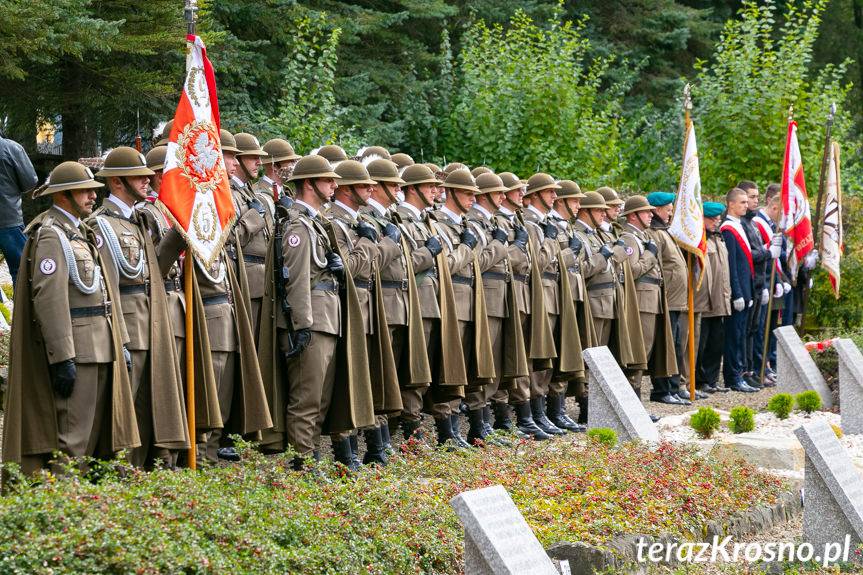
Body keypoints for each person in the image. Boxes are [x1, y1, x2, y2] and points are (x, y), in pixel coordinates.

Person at [2, 161, 139, 474]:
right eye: (85, 191)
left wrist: (120, 342)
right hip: (79, 348)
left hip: (99, 344)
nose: (93, 195)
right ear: (64, 195)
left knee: (94, 437)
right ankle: (63, 506)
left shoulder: (79, 231)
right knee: (73, 439)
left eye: (93, 190)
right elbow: (49, 300)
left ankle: (83, 504)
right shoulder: (51, 235)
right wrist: (63, 357)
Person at [90, 147, 188, 468]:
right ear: (117, 182)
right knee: (125, 409)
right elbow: (109, 287)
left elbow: (153, 273)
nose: (148, 180)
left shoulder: (136, 220)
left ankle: (142, 475)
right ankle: (119, 476)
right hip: (128, 328)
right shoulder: (102, 226)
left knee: (147, 407)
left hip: (150, 323)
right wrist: (119, 336)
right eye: (139, 176)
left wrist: (177, 235)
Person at [280, 155, 375, 469]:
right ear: (309, 184)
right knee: (306, 401)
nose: (335, 185)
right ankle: (302, 466)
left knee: (319, 401)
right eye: (328, 180)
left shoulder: (314, 222)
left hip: (327, 318)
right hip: (314, 320)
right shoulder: (297, 225)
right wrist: (301, 323)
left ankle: (310, 462)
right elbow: (296, 279)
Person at [618, 195, 679, 404]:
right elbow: (632, 271)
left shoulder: (643, 237)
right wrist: (650, 256)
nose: (650, 215)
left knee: (646, 353)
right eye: (646, 212)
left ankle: (636, 402)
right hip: (642, 301)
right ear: (633, 216)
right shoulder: (628, 238)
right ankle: (632, 403)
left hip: (652, 299)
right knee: (638, 354)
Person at [646, 192, 698, 403]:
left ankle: (674, 386)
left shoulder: (665, 231)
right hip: (668, 298)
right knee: (666, 346)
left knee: (677, 343)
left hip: (676, 299)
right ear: (657, 210)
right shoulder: (655, 233)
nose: (671, 213)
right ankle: (662, 389)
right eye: (668, 209)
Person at [721, 188, 759, 393]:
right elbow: (732, 264)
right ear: (731, 204)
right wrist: (737, 293)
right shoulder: (728, 229)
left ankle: (739, 373)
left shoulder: (740, 225)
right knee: (734, 336)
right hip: (738, 292)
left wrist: (749, 291)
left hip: (746, 290)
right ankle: (733, 377)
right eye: (742, 202)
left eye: (747, 202)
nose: (747, 205)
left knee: (742, 334)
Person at [736, 180, 771, 389]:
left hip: (758, 284)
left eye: (757, 197)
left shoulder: (752, 222)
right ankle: (743, 371)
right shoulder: (740, 224)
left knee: (752, 329)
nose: (755, 201)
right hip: (748, 284)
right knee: (745, 331)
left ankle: (749, 370)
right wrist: (768, 252)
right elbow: (750, 254)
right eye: (751, 197)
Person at [695, 201, 731, 394]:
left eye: (718, 218)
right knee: (701, 343)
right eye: (713, 219)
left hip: (719, 299)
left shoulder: (718, 238)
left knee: (716, 343)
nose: (717, 222)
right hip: (704, 300)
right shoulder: (699, 239)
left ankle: (711, 379)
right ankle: (699, 380)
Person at [0, 134, 38, 283]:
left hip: (9, 220)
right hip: (8, 218)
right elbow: (30, 182)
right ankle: (21, 306)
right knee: (22, 270)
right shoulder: (11, 148)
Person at [255, 138, 301, 208]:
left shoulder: (285, 191)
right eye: (291, 161)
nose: (294, 166)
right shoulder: (258, 194)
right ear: (274, 166)